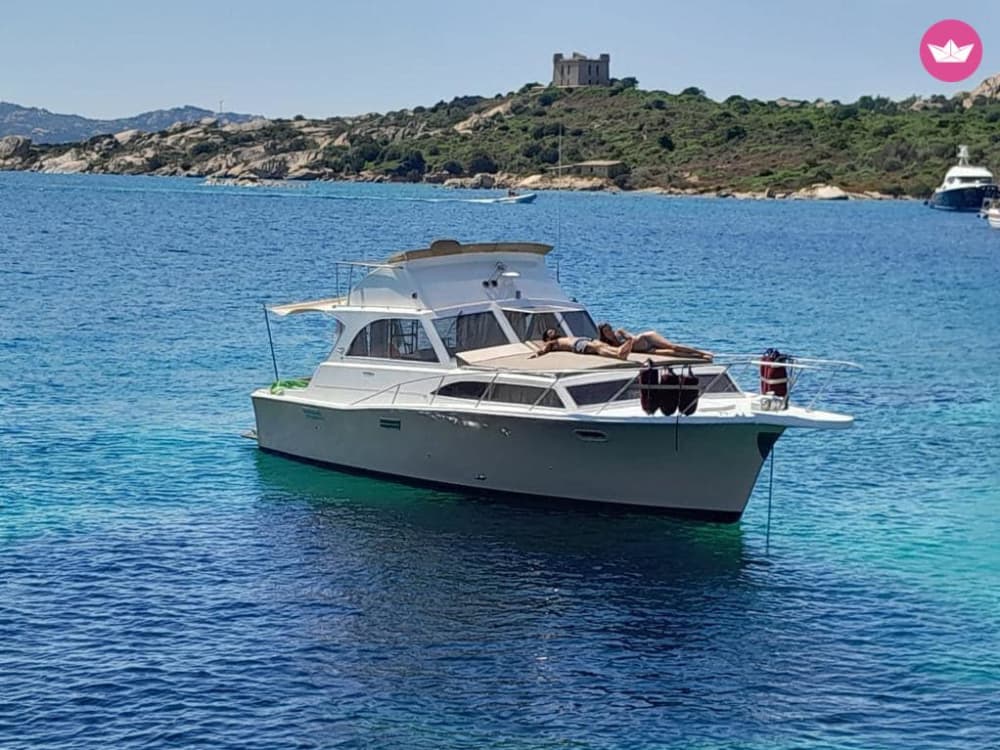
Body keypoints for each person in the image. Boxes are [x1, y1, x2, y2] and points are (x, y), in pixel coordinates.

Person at [597, 322, 713, 360]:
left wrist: (627, 343)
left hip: (646, 339)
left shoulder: (619, 332)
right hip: (645, 350)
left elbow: (632, 338)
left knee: (671, 346)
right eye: (607, 331)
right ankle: (698, 357)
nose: (610, 332)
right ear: (603, 334)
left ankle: (701, 352)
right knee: (671, 353)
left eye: (610, 329)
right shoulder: (608, 344)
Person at [531, 328, 633, 360]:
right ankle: (617, 354)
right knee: (597, 347)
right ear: (547, 337)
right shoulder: (551, 342)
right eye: (550, 332)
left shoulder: (562, 337)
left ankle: (619, 351)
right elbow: (544, 348)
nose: (553, 331)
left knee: (602, 345)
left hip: (582, 339)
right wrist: (537, 354)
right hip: (577, 345)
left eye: (553, 330)